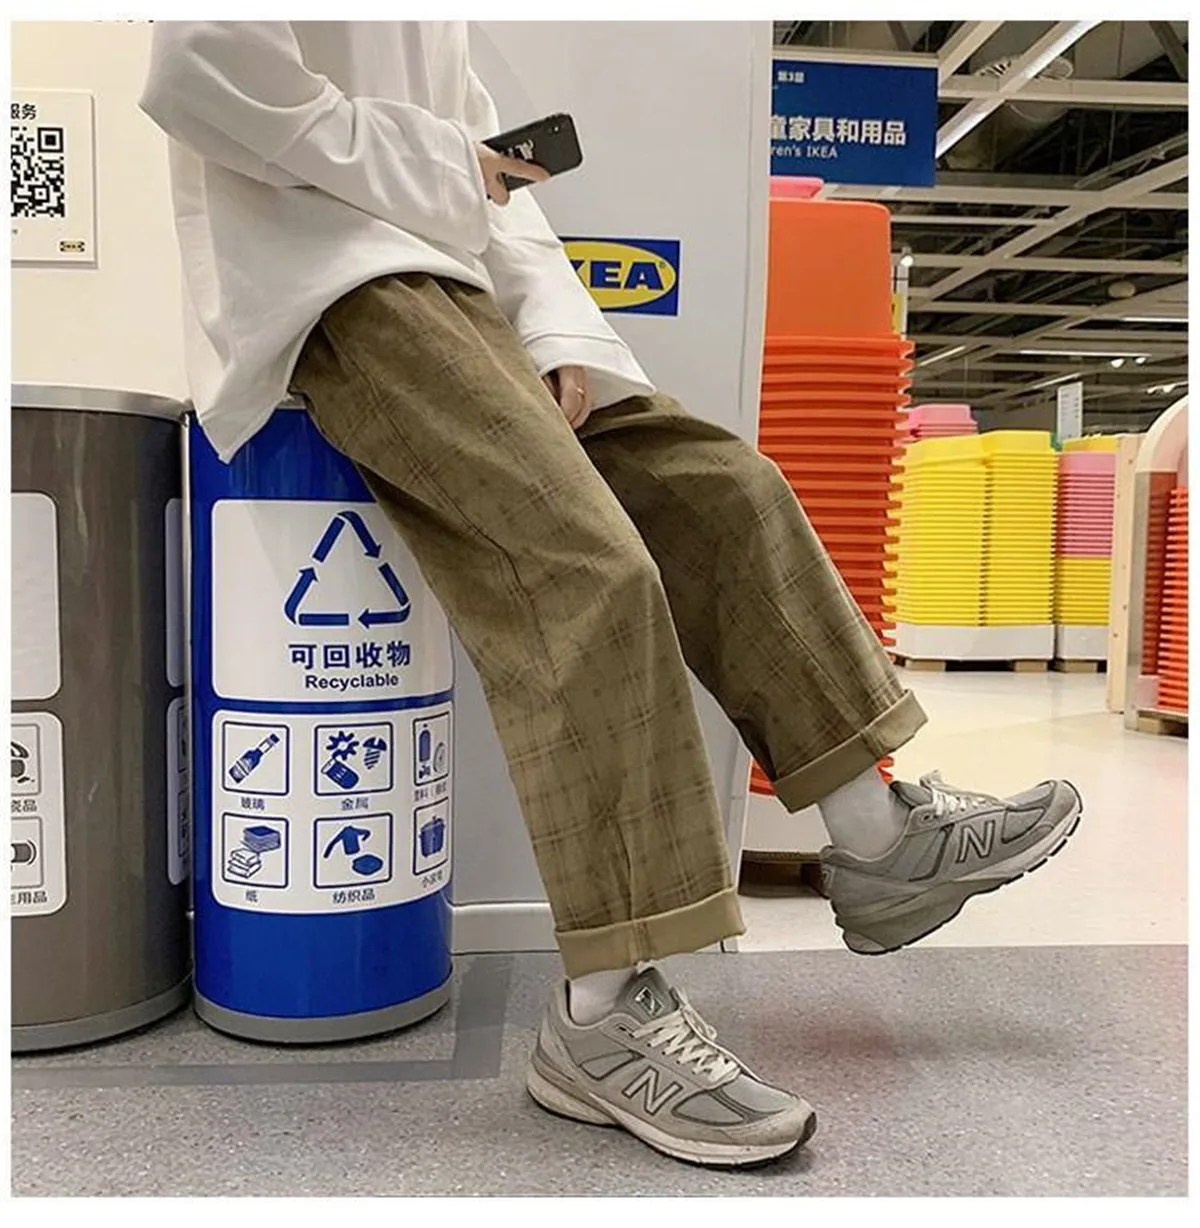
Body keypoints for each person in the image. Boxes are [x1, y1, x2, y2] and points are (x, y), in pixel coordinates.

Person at [141, 20, 1083, 1169]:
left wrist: (551, 326)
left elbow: (493, 178)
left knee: (724, 494)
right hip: (334, 281)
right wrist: (444, 169)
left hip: (462, 292)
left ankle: (875, 837)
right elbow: (197, 73)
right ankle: (600, 1016)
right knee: (589, 572)